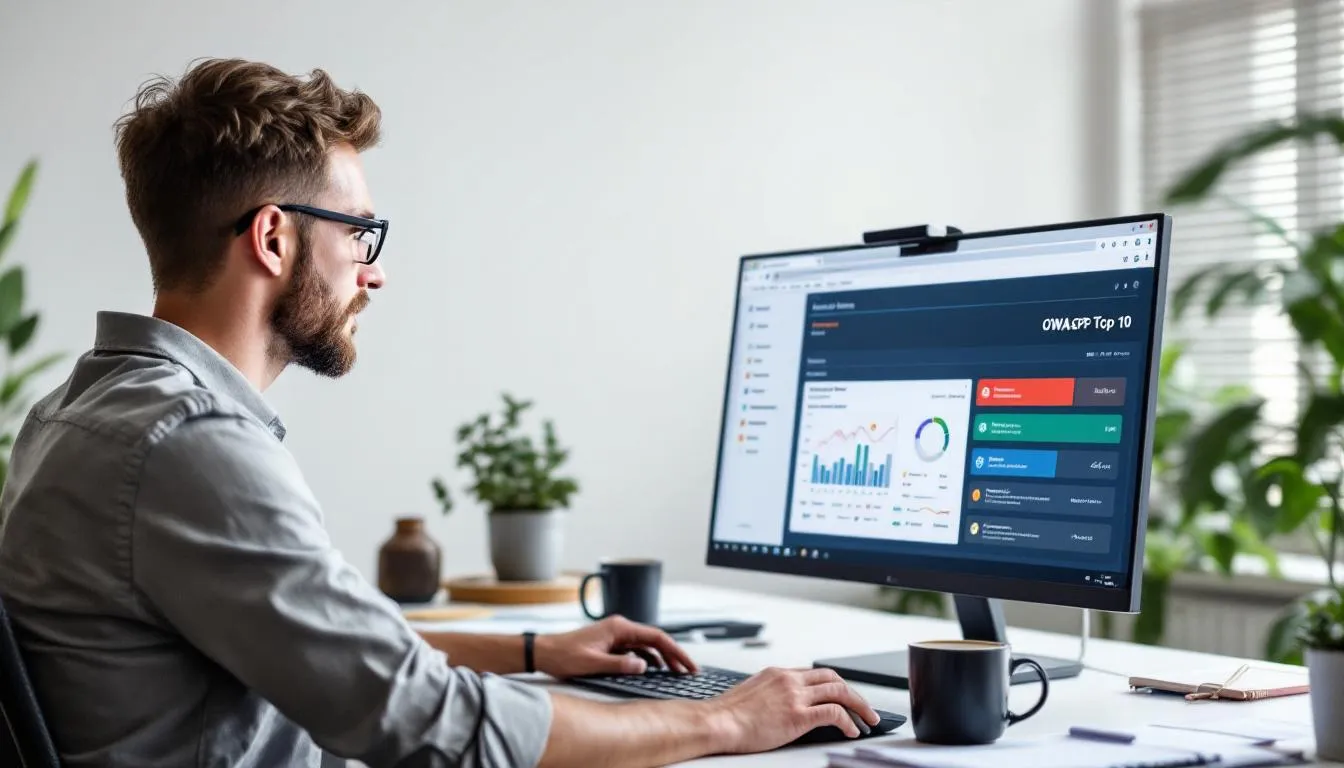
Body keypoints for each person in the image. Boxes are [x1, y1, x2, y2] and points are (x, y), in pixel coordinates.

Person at [0, 58, 879, 768]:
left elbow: (332, 640)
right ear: (272, 238)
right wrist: (726, 721)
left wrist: (539, 652)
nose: (372, 273)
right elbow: (426, 727)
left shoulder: (74, 414)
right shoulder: (187, 444)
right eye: (359, 235)